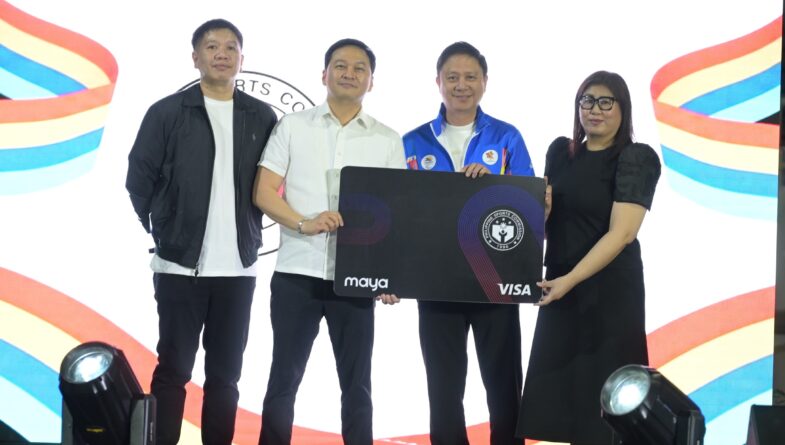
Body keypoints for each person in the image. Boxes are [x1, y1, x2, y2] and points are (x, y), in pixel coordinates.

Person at [125, 19, 277, 445]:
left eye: (230, 47)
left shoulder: (261, 116)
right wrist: (164, 229)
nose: (221, 54)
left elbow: (274, 181)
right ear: (195, 57)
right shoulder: (167, 112)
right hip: (179, 267)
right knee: (174, 370)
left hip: (238, 270)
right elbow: (139, 179)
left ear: (242, 59)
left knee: (226, 377)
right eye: (212, 47)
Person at [252, 38, 405, 445]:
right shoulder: (292, 126)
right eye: (340, 66)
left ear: (371, 81)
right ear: (324, 74)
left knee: (358, 386)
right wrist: (304, 223)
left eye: (359, 68)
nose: (349, 74)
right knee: (283, 380)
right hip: (296, 272)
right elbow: (264, 192)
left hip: (355, 280)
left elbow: (395, 214)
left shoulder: (387, 139)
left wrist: (389, 275)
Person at [516, 71, 661, 445]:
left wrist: (570, 280)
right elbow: (546, 223)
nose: (595, 110)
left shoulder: (636, 158)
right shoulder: (560, 152)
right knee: (562, 401)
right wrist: (541, 214)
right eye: (587, 100)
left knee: (605, 405)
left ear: (623, 109)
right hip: (560, 286)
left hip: (609, 293)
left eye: (605, 102)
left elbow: (622, 234)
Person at [401, 41, 534, 445]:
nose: (462, 85)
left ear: (485, 82)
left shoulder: (507, 137)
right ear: (438, 82)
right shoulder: (412, 142)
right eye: (453, 77)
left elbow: (529, 207)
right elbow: (398, 215)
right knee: (443, 392)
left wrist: (495, 187)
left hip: (495, 282)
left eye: (471, 77)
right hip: (436, 284)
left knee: (504, 389)